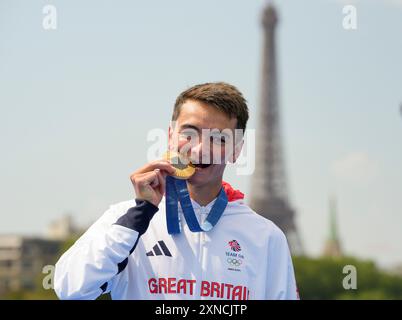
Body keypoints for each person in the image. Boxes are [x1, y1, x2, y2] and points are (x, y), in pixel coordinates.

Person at [54, 82, 298, 300]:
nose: (200, 149)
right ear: (171, 137)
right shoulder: (125, 220)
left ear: (236, 151)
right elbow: (70, 289)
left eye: (219, 139)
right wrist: (140, 214)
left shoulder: (266, 237)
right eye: (189, 133)